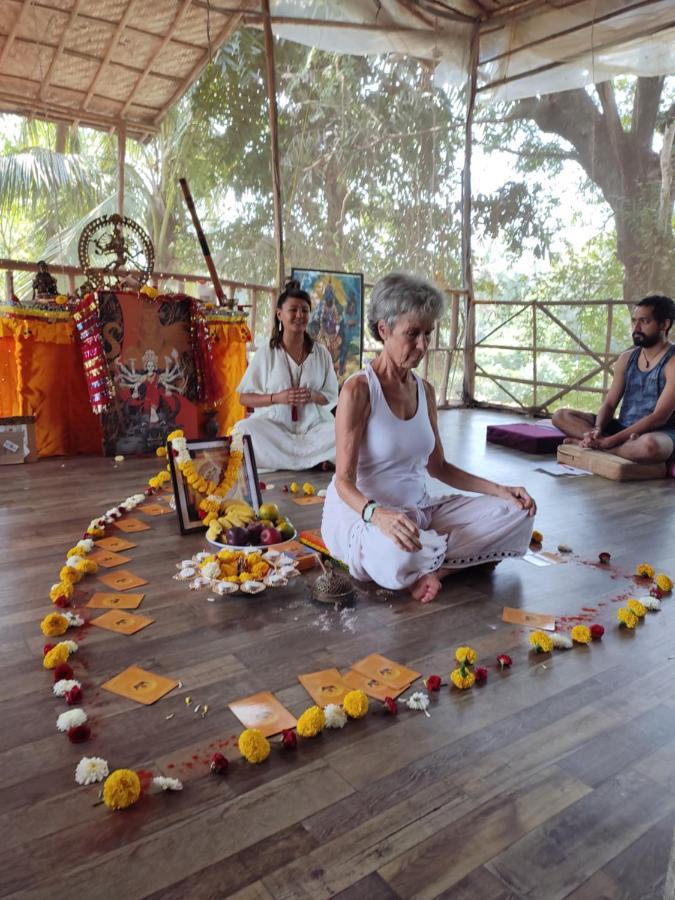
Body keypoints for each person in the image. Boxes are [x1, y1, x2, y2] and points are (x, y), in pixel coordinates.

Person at [321, 272, 536, 604]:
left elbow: (440, 467)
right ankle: (444, 556)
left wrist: (501, 490)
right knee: (397, 555)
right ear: (383, 330)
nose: (422, 345)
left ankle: (435, 570)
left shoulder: (425, 390)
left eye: (427, 334)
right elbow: (342, 483)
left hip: (418, 510)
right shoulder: (359, 390)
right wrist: (379, 515)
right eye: (412, 334)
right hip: (364, 515)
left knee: (517, 511)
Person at [552, 294, 675, 462]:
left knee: (650, 446)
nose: (636, 328)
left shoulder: (672, 361)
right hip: (623, 427)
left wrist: (609, 441)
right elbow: (610, 403)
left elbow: (659, 416)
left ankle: (606, 448)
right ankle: (603, 444)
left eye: (644, 321)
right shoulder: (627, 358)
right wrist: (597, 430)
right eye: (634, 321)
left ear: (664, 324)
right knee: (561, 416)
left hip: (661, 432)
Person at [235, 280, 339, 472]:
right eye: (293, 310)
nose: (299, 315)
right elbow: (244, 397)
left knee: (343, 432)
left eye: (305, 310)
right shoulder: (267, 352)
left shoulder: (321, 353)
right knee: (243, 429)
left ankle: (292, 460)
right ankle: (314, 461)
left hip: (313, 429)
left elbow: (331, 397)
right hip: (277, 429)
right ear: (280, 314)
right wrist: (277, 398)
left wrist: (313, 396)